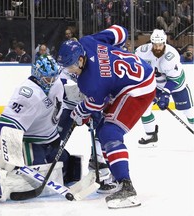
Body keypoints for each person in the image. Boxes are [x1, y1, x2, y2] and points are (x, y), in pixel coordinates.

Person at [57, 24, 156, 209]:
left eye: (70, 66)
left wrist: (78, 112)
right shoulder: (87, 42)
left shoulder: (90, 82)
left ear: (80, 59)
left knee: (110, 132)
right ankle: (112, 172)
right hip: (134, 75)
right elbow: (120, 31)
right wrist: (112, 53)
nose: (69, 70)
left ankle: (127, 188)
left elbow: (95, 105)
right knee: (102, 128)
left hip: (138, 90)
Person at [0, 55, 81, 204]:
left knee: (70, 169)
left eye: (54, 77)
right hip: (32, 142)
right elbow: (7, 123)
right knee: (31, 178)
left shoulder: (57, 81)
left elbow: (70, 90)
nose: (52, 82)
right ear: (38, 75)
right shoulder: (27, 94)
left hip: (52, 138)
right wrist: (8, 146)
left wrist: (84, 99)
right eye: (48, 79)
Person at [135, 29, 194, 146]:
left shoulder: (171, 56)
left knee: (188, 112)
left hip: (176, 85)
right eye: (155, 45)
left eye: (160, 45)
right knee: (144, 107)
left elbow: (174, 79)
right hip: (155, 84)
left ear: (164, 43)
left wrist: (165, 94)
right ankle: (151, 135)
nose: (157, 47)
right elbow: (138, 71)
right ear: (151, 43)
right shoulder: (141, 52)